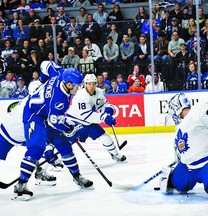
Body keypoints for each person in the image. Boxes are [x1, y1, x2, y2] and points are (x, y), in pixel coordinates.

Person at [12, 68, 92, 201]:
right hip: (34, 115)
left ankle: (77, 176)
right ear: (69, 84)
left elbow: (45, 65)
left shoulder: (60, 73)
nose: (79, 89)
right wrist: (73, 130)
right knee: (37, 148)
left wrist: (44, 82)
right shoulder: (59, 100)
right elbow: (56, 122)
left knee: (64, 145)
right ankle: (21, 185)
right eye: (77, 85)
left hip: (47, 115)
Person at [66, 73, 126, 162]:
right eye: (89, 84)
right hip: (75, 121)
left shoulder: (99, 92)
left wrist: (108, 109)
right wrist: (104, 117)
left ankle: (115, 155)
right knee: (67, 142)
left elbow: (103, 104)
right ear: (85, 84)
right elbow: (86, 115)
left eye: (93, 83)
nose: (91, 86)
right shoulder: (80, 96)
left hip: (88, 121)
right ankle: (55, 159)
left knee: (105, 136)